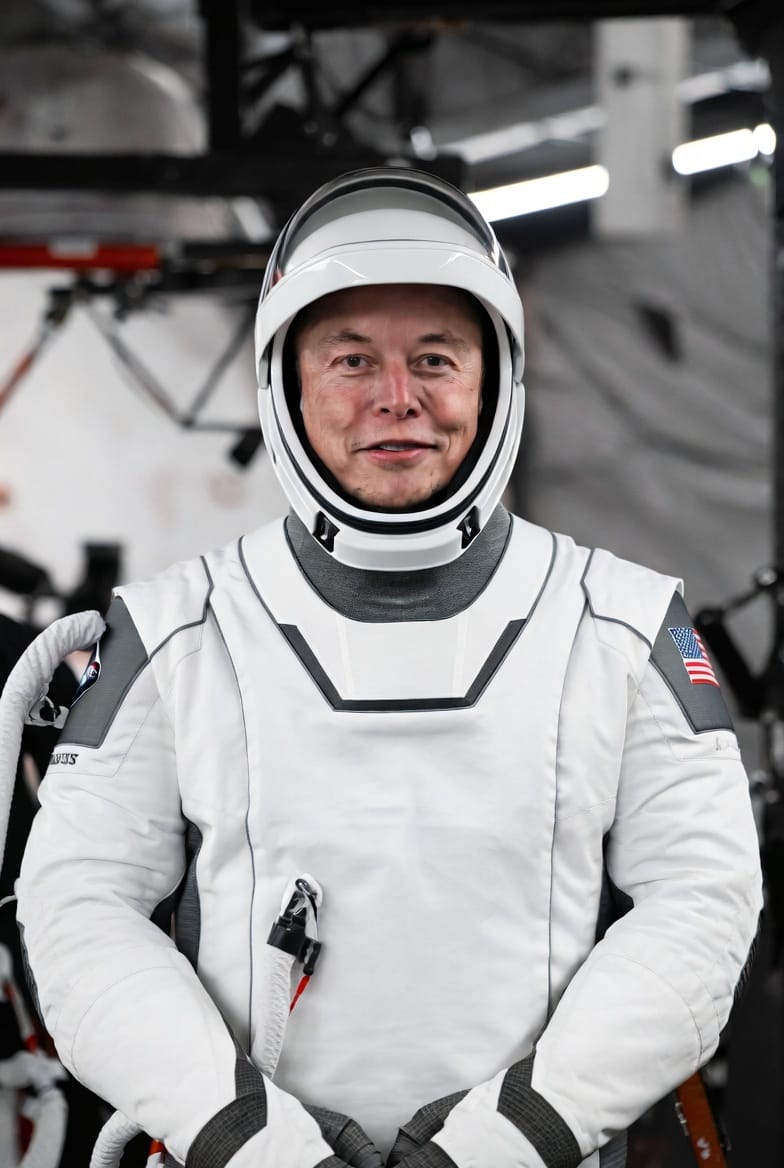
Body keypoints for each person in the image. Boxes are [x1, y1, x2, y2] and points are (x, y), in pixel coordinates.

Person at [15, 168, 762, 1168]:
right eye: (352, 359)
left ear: (497, 379)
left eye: (436, 358)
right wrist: (252, 1139)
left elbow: (702, 900)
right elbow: (79, 910)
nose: (397, 399)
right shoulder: (174, 631)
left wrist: (505, 1139)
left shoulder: (623, 624)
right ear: (286, 383)